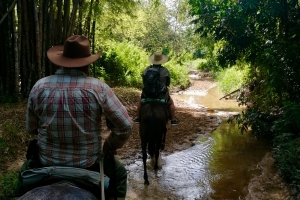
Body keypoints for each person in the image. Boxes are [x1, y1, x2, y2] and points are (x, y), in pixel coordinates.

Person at [15, 35, 132, 200]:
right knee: (119, 174)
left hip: (46, 161)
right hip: (88, 163)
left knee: (22, 177)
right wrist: (109, 146)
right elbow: (125, 126)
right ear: (88, 63)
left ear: (61, 60)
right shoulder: (99, 88)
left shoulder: (40, 86)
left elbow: (31, 128)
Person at [133, 52, 179, 126]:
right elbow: (167, 83)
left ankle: (138, 118)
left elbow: (144, 82)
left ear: (153, 60)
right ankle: (173, 120)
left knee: (140, 102)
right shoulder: (165, 70)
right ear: (161, 61)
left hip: (147, 95)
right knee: (171, 103)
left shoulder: (147, 69)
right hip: (161, 96)